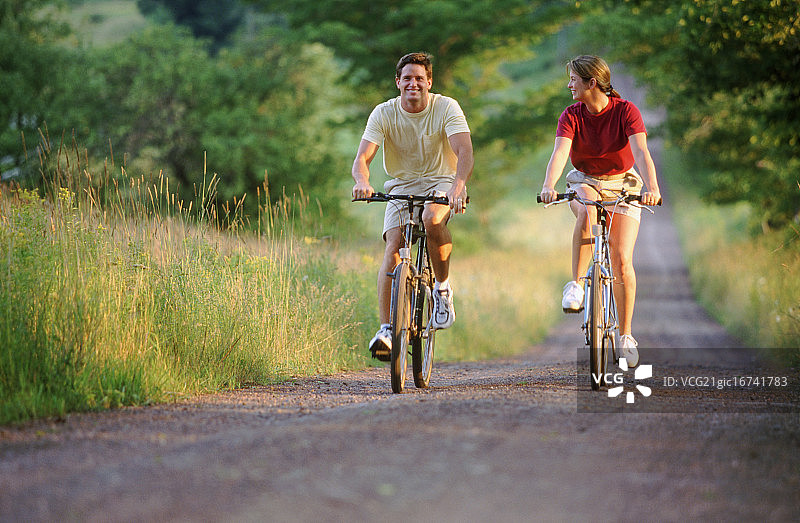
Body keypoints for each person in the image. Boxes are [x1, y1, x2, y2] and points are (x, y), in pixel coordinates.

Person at [540, 55, 661, 367]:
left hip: (623, 183)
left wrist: (652, 188)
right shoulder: (571, 115)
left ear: (591, 83)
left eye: (573, 80)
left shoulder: (626, 112)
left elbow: (641, 151)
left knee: (621, 260)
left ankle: (626, 335)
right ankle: (577, 286)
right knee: (585, 208)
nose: (569, 85)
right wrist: (548, 185)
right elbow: (560, 153)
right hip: (586, 180)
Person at [352, 52, 474, 361]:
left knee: (432, 220)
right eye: (407, 78)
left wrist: (458, 187)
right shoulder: (384, 113)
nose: (413, 84)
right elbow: (362, 160)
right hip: (401, 186)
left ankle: (443, 289)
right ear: (398, 82)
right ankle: (385, 329)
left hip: (441, 181)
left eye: (420, 78)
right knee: (393, 245)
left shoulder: (446, 107)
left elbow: (464, 150)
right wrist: (362, 182)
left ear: (429, 82)